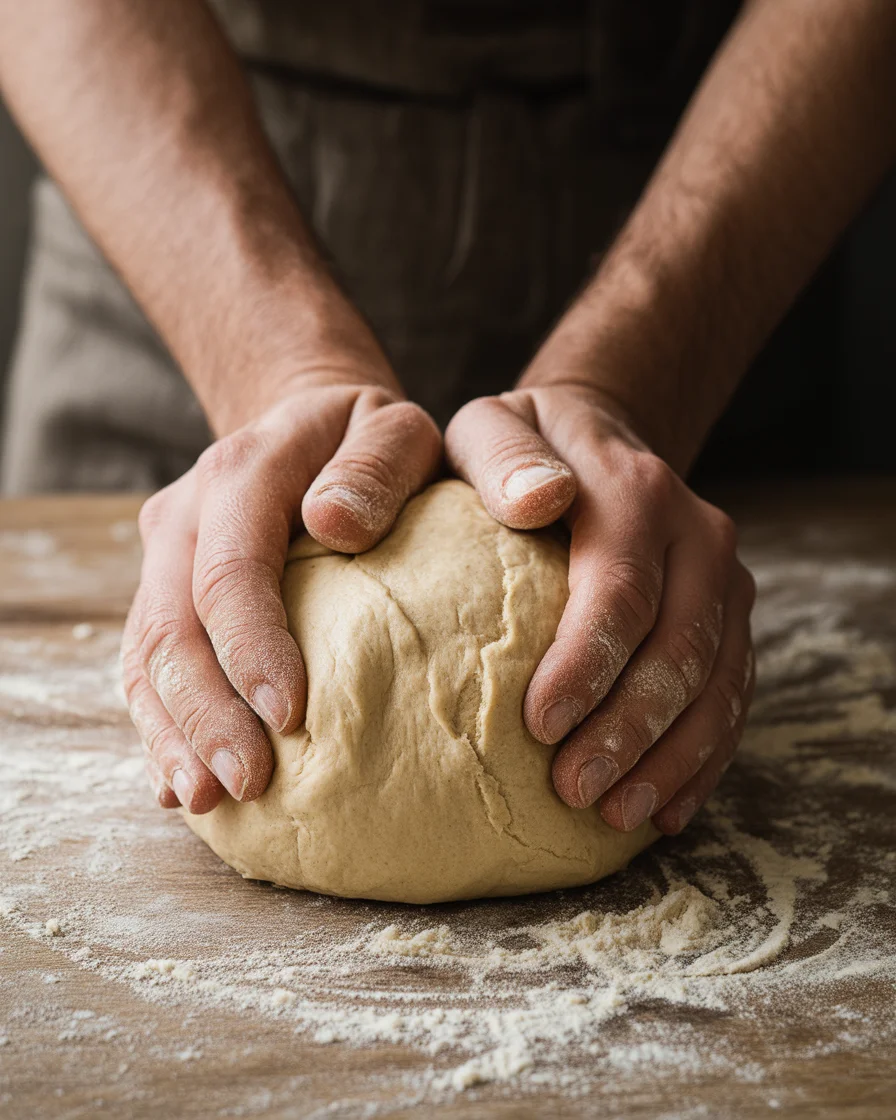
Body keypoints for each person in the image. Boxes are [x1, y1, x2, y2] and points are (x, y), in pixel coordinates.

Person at [1, 1, 894, 839]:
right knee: (227, 640)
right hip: (174, 205)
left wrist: (632, 382)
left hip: (723, 201)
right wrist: (281, 370)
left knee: (644, 640)